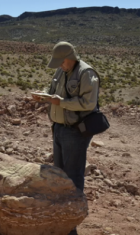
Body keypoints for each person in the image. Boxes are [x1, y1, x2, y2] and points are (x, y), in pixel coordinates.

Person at [32, 41, 100, 192]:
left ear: (71, 57)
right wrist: (43, 96)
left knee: (73, 172)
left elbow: (88, 103)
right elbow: (52, 91)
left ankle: (74, 207)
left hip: (75, 131)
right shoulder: (61, 71)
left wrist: (61, 102)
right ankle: (62, 204)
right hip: (59, 127)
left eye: (61, 62)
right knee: (59, 170)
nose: (60, 65)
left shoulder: (86, 73)